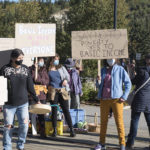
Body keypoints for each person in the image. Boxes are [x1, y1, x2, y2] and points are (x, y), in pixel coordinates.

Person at [0, 49, 40, 150]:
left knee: (25, 126)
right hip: (9, 104)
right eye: (19, 58)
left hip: (23, 103)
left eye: (22, 58)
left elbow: (30, 85)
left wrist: (36, 98)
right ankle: (7, 147)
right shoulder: (4, 69)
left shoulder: (25, 69)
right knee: (8, 127)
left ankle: (20, 145)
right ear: (12, 58)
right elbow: (0, 87)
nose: (21, 60)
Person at [95, 59, 131, 150]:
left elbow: (128, 83)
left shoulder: (120, 69)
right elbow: (99, 86)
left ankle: (122, 144)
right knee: (103, 122)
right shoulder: (103, 70)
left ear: (115, 59)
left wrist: (124, 96)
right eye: (108, 58)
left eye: (112, 57)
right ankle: (101, 143)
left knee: (119, 122)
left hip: (117, 99)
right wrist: (98, 81)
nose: (110, 59)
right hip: (104, 99)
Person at [48, 54, 76, 137]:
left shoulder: (61, 68)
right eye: (55, 59)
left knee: (66, 110)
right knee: (54, 111)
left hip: (63, 91)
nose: (57, 61)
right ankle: (55, 130)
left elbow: (68, 77)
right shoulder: (47, 69)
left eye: (58, 59)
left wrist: (65, 80)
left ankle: (71, 129)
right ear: (51, 60)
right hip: (53, 92)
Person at [126, 54, 150, 149]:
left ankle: (130, 142)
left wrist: (130, 70)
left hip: (139, 99)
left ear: (147, 60)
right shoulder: (142, 70)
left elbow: (133, 81)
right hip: (149, 101)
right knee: (149, 122)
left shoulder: (142, 71)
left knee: (135, 121)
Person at [29, 57, 49, 138]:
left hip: (42, 94)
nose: (41, 62)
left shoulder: (44, 69)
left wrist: (41, 81)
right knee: (30, 112)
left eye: (42, 61)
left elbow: (46, 80)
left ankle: (42, 130)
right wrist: (35, 70)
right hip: (33, 94)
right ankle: (28, 128)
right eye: (39, 61)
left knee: (42, 113)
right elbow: (32, 79)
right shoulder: (30, 69)